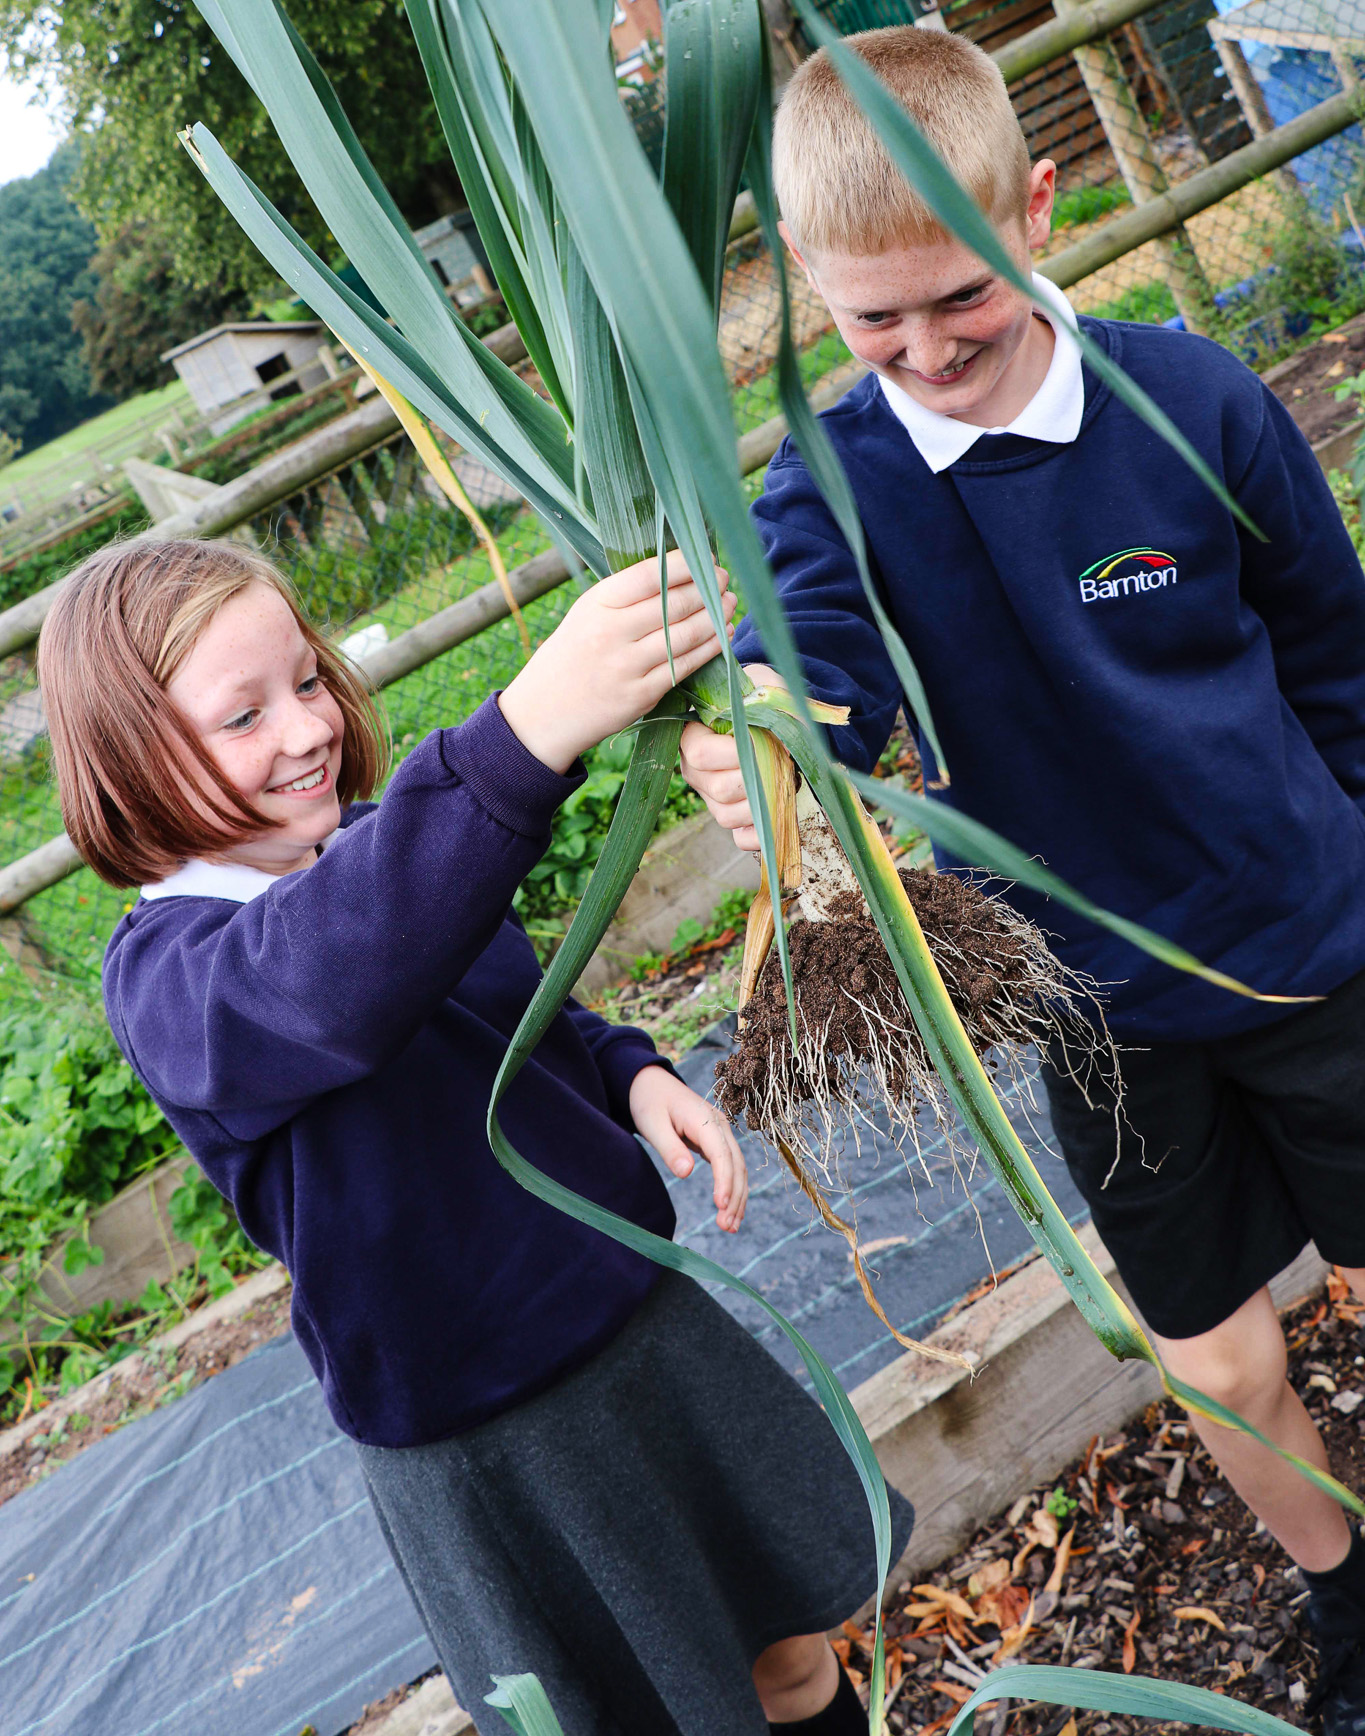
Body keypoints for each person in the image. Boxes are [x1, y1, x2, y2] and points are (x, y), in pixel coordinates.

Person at [680, 25, 1365, 1734]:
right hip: (1096, 1009)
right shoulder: (833, 483)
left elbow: (1339, 658)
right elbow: (806, 646)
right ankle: (1345, 1593)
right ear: (807, 298)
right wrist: (769, 726)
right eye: (869, 323)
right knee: (1211, 1350)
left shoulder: (1192, 402)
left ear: (1034, 207)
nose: (923, 352)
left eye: (955, 300)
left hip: (1313, 946)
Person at [38, 534, 912, 1736]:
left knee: (794, 1664)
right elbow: (341, 982)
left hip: (634, 1332)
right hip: (492, 1439)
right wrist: (524, 734)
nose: (303, 730)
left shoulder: (369, 847)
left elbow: (500, 997)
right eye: (241, 716)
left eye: (304, 680)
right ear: (128, 762)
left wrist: (623, 1070)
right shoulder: (176, 981)